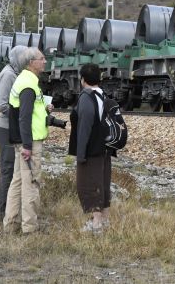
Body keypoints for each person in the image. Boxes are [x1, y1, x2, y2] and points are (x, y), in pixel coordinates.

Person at [3, 47, 50, 234]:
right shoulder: (29, 85)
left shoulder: (24, 79)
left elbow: (26, 112)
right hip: (29, 142)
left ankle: (11, 224)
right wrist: (27, 146)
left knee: (17, 182)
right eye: (42, 58)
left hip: (21, 141)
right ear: (31, 62)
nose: (45, 61)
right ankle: (30, 228)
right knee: (31, 183)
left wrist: (45, 109)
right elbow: (24, 117)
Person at [69, 63, 114, 233]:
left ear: (82, 80)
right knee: (103, 183)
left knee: (89, 184)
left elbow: (84, 127)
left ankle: (96, 224)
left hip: (91, 149)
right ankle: (105, 220)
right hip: (105, 148)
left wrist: (80, 153)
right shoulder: (103, 95)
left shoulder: (86, 97)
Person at [0, 45, 27, 219]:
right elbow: (1, 105)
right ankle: (1, 211)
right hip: (6, 128)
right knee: (7, 169)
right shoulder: (8, 75)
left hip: (10, 127)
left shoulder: (14, 73)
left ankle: (9, 210)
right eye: (24, 58)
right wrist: (22, 113)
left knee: (11, 169)